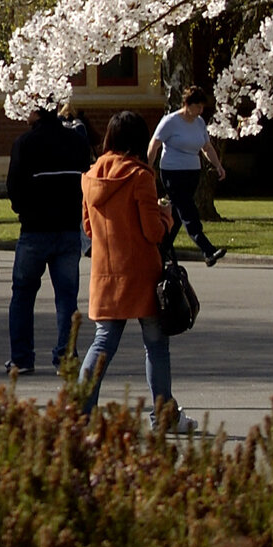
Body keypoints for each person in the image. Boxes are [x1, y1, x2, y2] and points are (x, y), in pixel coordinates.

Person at [79, 110, 195, 432]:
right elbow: (153, 232)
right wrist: (166, 216)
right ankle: (163, 417)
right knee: (156, 346)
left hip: (106, 274)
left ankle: (81, 414)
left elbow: (89, 228)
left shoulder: (89, 177)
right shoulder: (140, 176)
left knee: (102, 344)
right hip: (142, 275)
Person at [5, 106, 95, 376]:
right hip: (68, 229)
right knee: (66, 298)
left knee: (22, 294)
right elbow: (85, 181)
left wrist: (23, 210)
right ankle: (65, 356)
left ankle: (22, 358)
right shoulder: (78, 141)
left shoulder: (25, 143)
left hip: (34, 229)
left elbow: (14, 187)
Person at [149, 86, 229, 265]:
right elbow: (154, 145)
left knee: (177, 216)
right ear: (187, 104)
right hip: (172, 173)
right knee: (188, 211)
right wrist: (148, 168)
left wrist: (218, 165)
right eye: (198, 107)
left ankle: (160, 251)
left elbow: (206, 147)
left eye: (202, 107)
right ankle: (207, 250)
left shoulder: (199, 122)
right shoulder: (170, 121)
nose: (200, 111)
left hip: (192, 173)